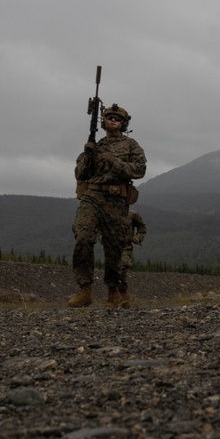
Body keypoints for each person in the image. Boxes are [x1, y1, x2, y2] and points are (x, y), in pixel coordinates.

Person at [69, 104, 146, 308]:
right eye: (109, 117)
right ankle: (85, 289)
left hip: (116, 200)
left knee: (114, 247)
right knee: (83, 236)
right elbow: (79, 174)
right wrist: (87, 156)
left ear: (123, 123)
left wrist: (115, 162)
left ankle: (113, 291)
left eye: (117, 118)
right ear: (103, 121)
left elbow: (140, 170)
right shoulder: (95, 145)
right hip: (92, 196)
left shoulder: (131, 145)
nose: (113, 120)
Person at [117, 209, 147, 309]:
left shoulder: (132, 214)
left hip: (126, 247)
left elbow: (142, 227)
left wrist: (138, 237)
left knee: (122, 265)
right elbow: (100, 229)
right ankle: (115, 297)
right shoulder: (107, 213)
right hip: (111, 247)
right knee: (113, 271)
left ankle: (123, 296)